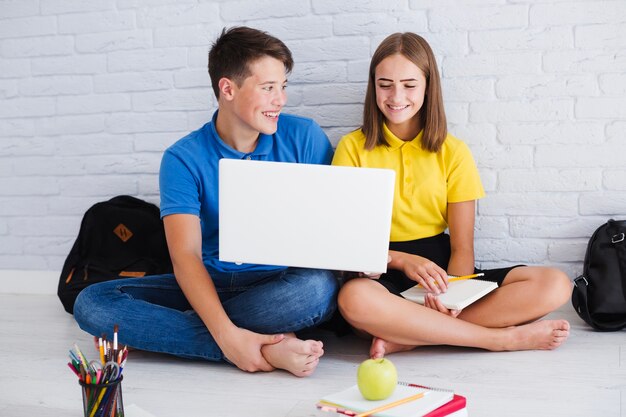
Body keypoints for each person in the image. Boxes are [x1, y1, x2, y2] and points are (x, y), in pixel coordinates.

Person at [74, 26, 339, 377]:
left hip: (282, 282)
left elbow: (329, 225)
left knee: (316, 289)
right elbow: (185, 257)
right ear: (227, 88)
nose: (281, 99)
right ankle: (261, 347)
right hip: (208, 282)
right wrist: (226, 336)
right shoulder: (182, 158)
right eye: (268, 88)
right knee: (92, 304)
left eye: (283, 87)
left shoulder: (305, 137)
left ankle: (179, 331)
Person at [332, 32, 572, 359]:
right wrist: (401, 259)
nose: (396, 96)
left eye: (409, 84)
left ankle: (413, 335)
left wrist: (454, 297)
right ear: (373, 86)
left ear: (428, 86)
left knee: (556, 283)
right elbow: (347, 243)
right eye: (384, 84)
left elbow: (462, 247)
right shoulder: (351, 148)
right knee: (353, 300)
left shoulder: (453, 151)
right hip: (380, 272)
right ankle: (499, 339)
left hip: (442, 272)